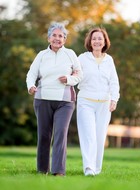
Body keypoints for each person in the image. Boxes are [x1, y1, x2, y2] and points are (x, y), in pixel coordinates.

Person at [26, 22, 82, 176]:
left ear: (64, 39)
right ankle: (42, 169)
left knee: (60, 133)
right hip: (43, 99)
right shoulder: (41, 55)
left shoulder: (70, 54)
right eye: (55, 35)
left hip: (65, 102)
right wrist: (30, 86)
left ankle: (58, 171)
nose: (58, 38)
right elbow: (31, 74)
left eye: (61, 36)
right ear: (49, 38)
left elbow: (79, 74)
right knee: (44, 135)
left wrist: (69, 79)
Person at [77, 27, 120, 176]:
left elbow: (114, 81)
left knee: (100, 137)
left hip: (104, 103)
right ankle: (88, 168)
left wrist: (114, 98)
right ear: (90, 41)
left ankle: (96, 169)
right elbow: (74, 75)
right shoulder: (82, 58)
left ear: (104, 42)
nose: (96, 41)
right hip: (85, 101)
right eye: (94, 38)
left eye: (99, 38)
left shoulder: (109, 60)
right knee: (89, 135)